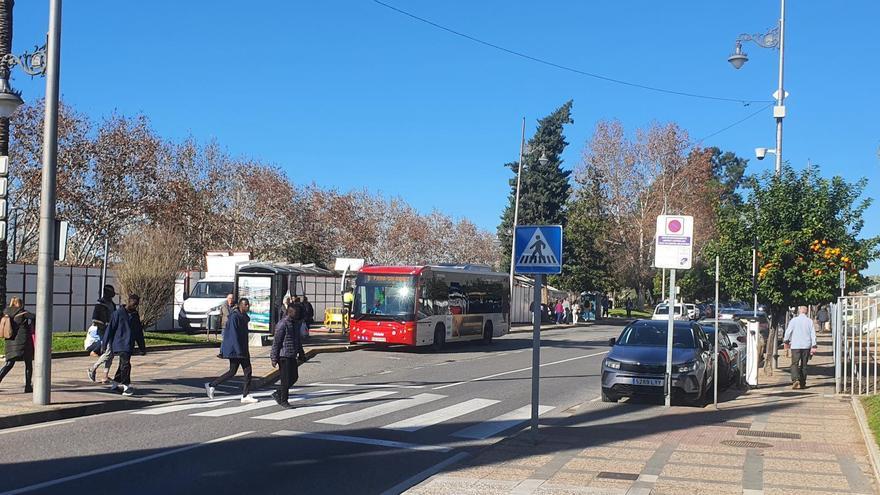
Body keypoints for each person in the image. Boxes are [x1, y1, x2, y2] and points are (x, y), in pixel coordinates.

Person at [206, 297, 258, 403]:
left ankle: (244, 395)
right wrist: (239, 351)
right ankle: (212, 385)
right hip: (236, 350)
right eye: (245, 305)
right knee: (236, 371)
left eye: (248, 304)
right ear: (240, 305)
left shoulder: (242, 316)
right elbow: (233, 335)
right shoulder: (235, 317)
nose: (248, 306)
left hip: (242, 348)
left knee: (242, 371)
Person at [103, 294, 146, 396]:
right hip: (120, 343)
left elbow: (138, 332)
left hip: (129, 343)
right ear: (129, 302)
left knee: (122, 364)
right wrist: (104, 344)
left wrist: (142, 347)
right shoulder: (117, 314)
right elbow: (110, 329)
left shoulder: (135, 315)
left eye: (136, 305)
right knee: (126, 364)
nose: (135, 307)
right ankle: (126, 386)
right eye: (134, 304)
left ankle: (115, 383)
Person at [270, 305, 308, 408]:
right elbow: (276, 342)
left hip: (292, 354)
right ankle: (284, 400)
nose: (298, 316)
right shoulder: (282, 324)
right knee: (285, 380)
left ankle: (278, 393)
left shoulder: (295, 323)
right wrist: (274, 358)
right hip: (284, 355)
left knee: (294, 377)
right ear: (290, 313)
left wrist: (301, 353)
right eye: (296, 314)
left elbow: (297, 340)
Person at [0, 297, 34, 393]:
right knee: (28, 363)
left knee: (9, 364)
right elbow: (35, 316)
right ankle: (28, 386)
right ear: (20, 303)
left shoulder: (5, 313)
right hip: (23, 342)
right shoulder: (24, 313)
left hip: (10, 341)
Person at [87, 285, 117, 384]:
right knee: (108, 352)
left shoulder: (112, 304)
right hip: (104, 331)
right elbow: (95, 319)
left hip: (112, 330)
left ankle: (105, 376)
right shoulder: (100, 304)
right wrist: (104, 325)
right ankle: (92, 368)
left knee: (111, 353)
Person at [783, 306, 817, 390]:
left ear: (799, 311)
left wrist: (786, 341)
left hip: (795, 345)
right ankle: (802, 382)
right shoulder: (809, 321)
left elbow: (788, 332)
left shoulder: (794, 320)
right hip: (806, 345)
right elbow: (813, 334)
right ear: (806, 312)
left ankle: (795, 380)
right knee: (804, 365)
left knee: (794, 363)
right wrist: (814, 345)